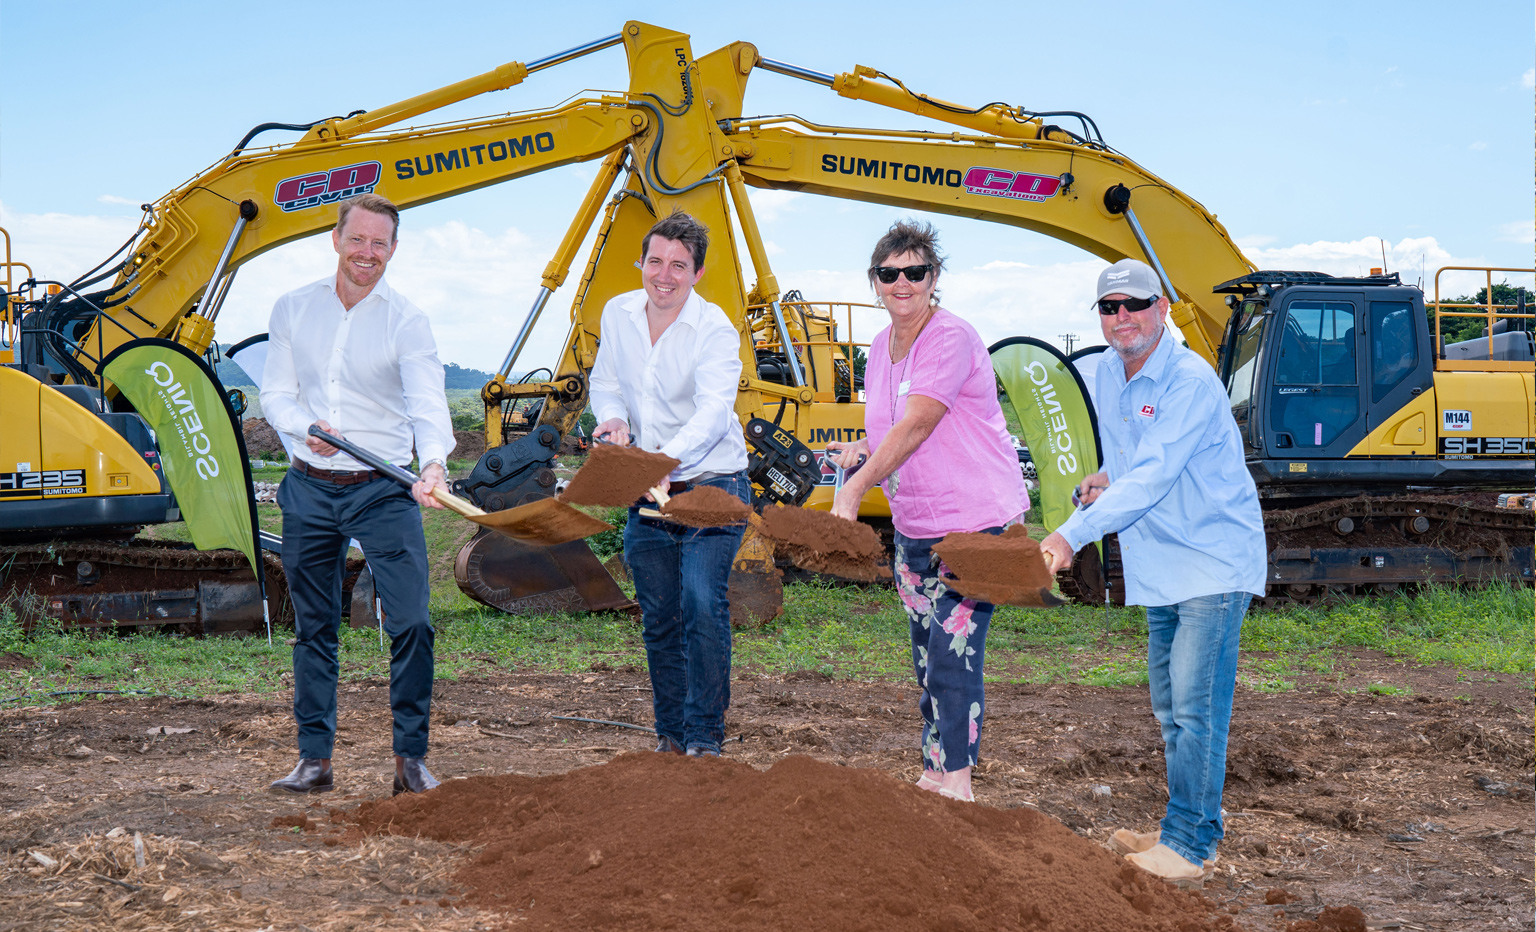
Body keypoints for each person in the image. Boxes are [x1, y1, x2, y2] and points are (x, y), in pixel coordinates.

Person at [1039, 258, 1266, 885]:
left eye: (1133, 305)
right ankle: (1187, 827)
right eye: (1108, 308)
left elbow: (1158, 472)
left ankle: (1189, 848)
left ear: (1161, 307)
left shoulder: (1190, 380)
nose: (1121, 318)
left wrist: (1068, 535)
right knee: (1170, 708)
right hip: (1163, 563)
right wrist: (1104, 478)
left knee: (1196, 710)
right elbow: (1135, 462)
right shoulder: (1111, 375)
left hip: (1211, 563)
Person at [827, 220, 1029, 803]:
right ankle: (934, 771)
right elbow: (891, 426)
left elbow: (920, 421)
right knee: (927, 657)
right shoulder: (877, 348)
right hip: (916, 525)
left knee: (951, 653)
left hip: (976, 524)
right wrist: (860, 450)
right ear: (875, 281)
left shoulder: (950, 337)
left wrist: (851, 491)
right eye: (890, 273)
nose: (902, 283)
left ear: (933, 278)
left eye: (915, 271)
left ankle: (957, 785)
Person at [261, 193, 455, 796]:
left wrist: (434, 467)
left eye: (380, 243)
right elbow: (276, 395)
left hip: (384, 488)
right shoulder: (293, 308)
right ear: (337, 239)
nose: (367, 253)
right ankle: (314, 761)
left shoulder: (407, 320)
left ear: (393, 250)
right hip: (310, 489)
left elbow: (427, 403)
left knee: (413, 622)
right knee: (314, 626)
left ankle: (411, 761)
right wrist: (305, 431)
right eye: (358, 239)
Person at [589, 210, 750, 759]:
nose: (664, 274)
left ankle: (705, 738)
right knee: (659, 614)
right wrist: (613, 420)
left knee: (703, 603)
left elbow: (712, 413)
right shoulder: (618, 314)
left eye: (678, 265)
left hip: (712, 486)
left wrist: (665, 459)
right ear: (641, 261)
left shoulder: (714, 329)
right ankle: (671, 739)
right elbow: (605, 381)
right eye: (655, 260)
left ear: (697, 273)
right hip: (650, 494)